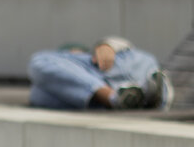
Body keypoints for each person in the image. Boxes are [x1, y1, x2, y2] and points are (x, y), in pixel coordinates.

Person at [28, 37, 173, 110]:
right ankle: (144, 94)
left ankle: (123, 95)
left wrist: (107, 44)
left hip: (116, 70)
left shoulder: (87, 56)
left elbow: (123, 45)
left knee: (143, 58)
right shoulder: (62, 67)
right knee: (39, 83)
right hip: (96, 88)